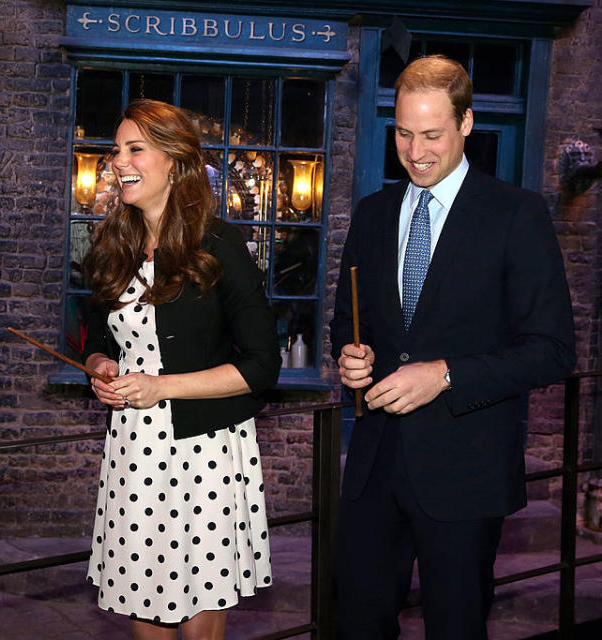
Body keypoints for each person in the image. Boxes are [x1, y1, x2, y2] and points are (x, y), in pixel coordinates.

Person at [330, 55, 575, 639]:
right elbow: (347, 321)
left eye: (432, 134)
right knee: (355, 625)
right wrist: (350, 355)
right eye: (404, 134)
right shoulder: (371, 213)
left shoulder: (516, 214)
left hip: (466, 473)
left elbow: (552, 349)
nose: (416, 151)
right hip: (373, 466)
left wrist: (444, 375)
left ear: (466, 123)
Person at [82, 99, 282, 640]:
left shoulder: (218, 244)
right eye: (117, 150)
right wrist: (99, 367)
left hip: (205, 454)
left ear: (174, 162)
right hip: (131, 451)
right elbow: (101, 339)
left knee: (198, 622)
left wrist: (159, 387)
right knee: (140, 605)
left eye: (135, 150)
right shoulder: (115, 244)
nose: (119, 161)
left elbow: (262, 365)